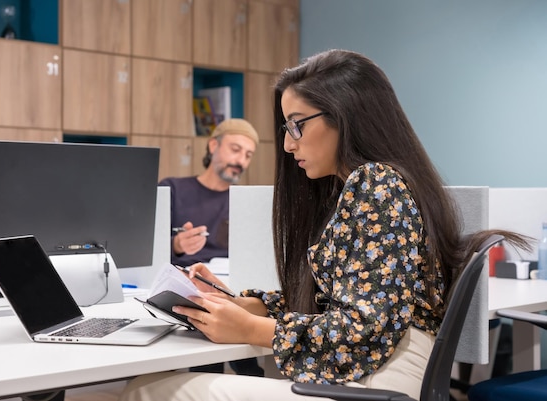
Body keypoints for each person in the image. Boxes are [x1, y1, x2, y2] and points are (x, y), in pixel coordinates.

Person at [118, 49, 530, 401]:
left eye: (298, 124)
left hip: (375, 381)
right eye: (286, 127)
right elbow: (350, 301)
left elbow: (364, 331)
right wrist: (249, 305)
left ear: (347, 115)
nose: (287, 143)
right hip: (373, 373)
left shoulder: (377, 185)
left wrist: (254, 329)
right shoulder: (372, 184)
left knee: (149, 390)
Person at [159, 118, 264, 377]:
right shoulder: (172, 188)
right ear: (213, 145)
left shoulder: (245, 201)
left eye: (248, 155)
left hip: (232, 286)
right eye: (236, 149)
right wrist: (176, 245)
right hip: (186, 283)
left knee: (234, 308)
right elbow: (147, 250)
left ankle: (245, 380)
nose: (241, 160)